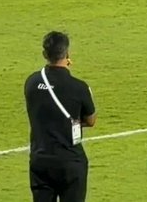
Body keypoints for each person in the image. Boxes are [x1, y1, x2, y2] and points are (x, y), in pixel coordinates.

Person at [25, 31, 96, 202]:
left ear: (45, 54)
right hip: (70, 161)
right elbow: (91, 120)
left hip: (40, 160)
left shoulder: (32, 82)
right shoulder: (79, 87)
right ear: (67, 54)